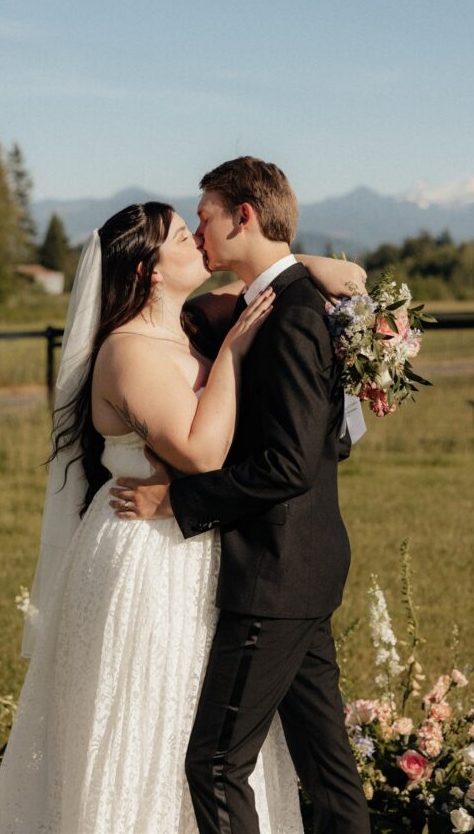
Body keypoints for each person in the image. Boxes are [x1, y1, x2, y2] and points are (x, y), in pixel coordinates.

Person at [0, 195, 365, 834]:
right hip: (144, 556)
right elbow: (201, 450)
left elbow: (349, 282)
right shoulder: (128, 351)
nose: (199, 243)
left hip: (197, 545)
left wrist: (279, 259)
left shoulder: (191, 322)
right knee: (151, 721)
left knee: (199, 720)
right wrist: (236, 354)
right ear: (151, 271)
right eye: (184, 237)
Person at [111, 158, 371, 834]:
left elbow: (289, 464)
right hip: (304, 565)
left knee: (217, 765)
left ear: (243, 216)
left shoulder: (287, 316)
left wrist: (176, 502)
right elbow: (324, 442)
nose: (198, 234)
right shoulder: (279, 302)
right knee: (327, 771)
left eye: (204, 219)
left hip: (275, 572)